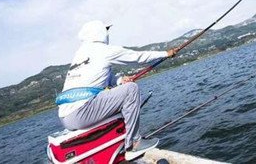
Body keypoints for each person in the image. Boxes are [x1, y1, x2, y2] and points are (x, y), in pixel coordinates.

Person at [56, 20, 177, 161]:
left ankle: (122, 138)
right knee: (131, 89)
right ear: (99, 32)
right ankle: (133, 143)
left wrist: (120, 81)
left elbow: (101, 75)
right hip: (81, 113)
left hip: (66, 117)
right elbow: (137, 57)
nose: (107, 33)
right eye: (105, 30)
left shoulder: (81, 54)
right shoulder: (102, 50)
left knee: (123, 90)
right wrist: (165, 53)